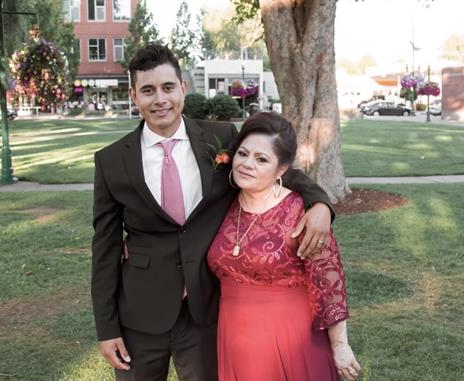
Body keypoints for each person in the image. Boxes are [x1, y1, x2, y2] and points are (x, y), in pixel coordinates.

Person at [91, 42, 335, 381]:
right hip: (140, 315)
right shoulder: (111, 161)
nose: (160, 99)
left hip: (205, 310)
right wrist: (106, 328)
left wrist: (319, 203)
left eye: (167, 87)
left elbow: (276, 167)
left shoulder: (220, 137)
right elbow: (105, 248)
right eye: (147, 90)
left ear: (183, 88)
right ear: (134, 96)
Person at [207, 112, 361, 381]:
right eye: (243, 154)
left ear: (281, 170)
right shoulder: (223, 203)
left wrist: (340, 345)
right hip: (233, 336)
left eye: (261, 159)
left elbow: (328, 282)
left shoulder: (303, 213)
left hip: (290, 337)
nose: (247, 164)